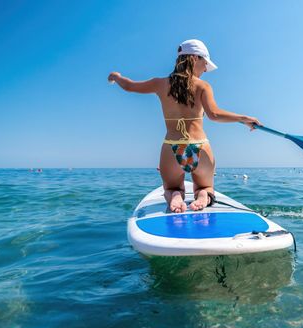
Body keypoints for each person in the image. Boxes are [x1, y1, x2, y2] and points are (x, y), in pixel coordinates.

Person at [108, 39, 261, 213]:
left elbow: (129, 86)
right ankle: (203, 195)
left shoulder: (160, 83)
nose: (205, 69)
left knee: (172, 188)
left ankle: (175, 197)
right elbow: (215, 115)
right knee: (205, 187)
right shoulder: (203, 86)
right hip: (200, 146)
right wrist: (244, 118)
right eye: (205, 64)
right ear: (195, 58)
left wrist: (116, 77)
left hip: (172, 147)